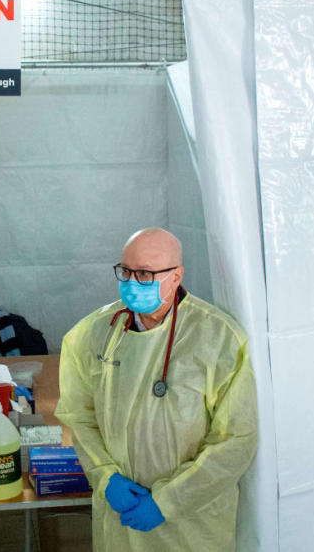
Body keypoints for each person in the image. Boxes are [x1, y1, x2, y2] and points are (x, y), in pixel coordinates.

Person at [55, 228, 257, 552]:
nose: (132, 282)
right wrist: (105, 477)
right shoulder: (95, 333)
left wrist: (168, 501)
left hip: (190, 525)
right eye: (126, 271)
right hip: (119, 521)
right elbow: (79, 416)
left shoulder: (219, 339)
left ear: (176, 276)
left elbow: (235, 442)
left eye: (146, 274)